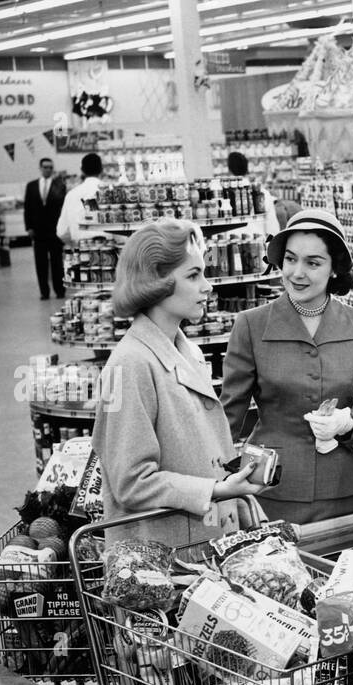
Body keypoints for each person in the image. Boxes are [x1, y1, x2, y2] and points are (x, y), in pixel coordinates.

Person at [93, 219, 266, 546]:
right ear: (154, 282)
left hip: (203, 546)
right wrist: (215, 490)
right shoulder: (128, 364)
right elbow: (130, 483)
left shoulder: (189, 352)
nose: (208, 286)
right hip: (156, 567)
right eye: (193, 275)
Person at [221, 209, 353, 525]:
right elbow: (227, 418)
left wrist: (348, 421)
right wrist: (212, 484)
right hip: (270, 493)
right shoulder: (251, 327)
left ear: (334, 268)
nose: (297, 272)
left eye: (313, 263)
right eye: (290, 259)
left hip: (343, 494)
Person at [23, 157, 67, 299]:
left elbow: (63, 208)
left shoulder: (59, 185)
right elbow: (27, 208)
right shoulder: (31, 186)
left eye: (50, 167)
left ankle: (59, 290)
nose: (48, 169)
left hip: (54, 231)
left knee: (57, 263)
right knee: (40, 263)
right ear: (40, 168)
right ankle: (44, 292)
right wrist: (28, 227)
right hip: (38, 231)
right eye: (45, 167)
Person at [225, 150, 279, 237]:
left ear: (229, 170)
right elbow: (273, 228)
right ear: (247, 169)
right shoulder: (263, 193)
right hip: (259, 245)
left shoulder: (225, 195)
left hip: (231, 246)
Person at [57, 152, 105, 246]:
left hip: (81, 248)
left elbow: (61, 231)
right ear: (101, 169)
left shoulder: (71, 195)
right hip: (110, 249)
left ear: (82, 170)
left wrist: (74, 245)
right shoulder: (111, 190)